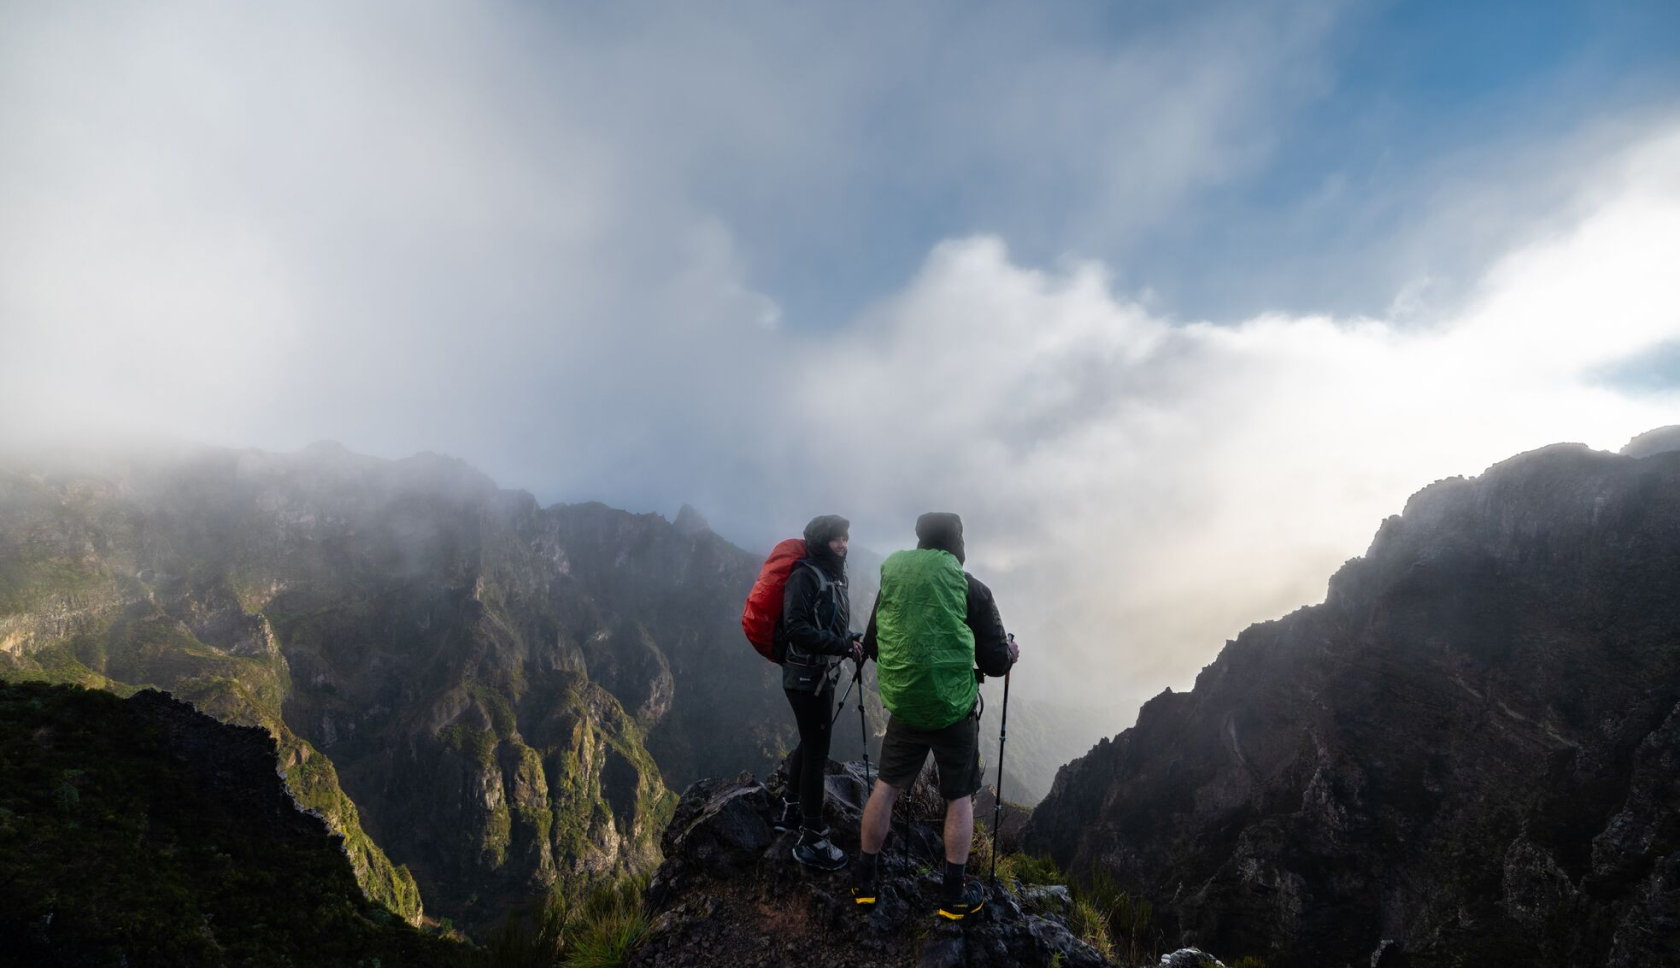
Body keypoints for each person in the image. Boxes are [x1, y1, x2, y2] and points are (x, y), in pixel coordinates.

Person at [851, 512, 1018, 919]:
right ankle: (952, 897)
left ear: (920, 541)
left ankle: (865, 883)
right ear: (957, 545)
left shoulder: (895, 579)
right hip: (954, 712)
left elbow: (872, 643)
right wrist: (1011, 651)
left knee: (886, 788)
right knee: (958, 798)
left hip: (906, 707)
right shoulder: (971, 588)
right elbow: (996, 662)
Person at [774, 514, 864, 871]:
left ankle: (790, 810)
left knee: (809, 741)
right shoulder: (805, 575)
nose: (842, 545)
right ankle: (812, 838)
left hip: (819, 675)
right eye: (835, 540)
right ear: (820, 542)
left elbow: (827, 623)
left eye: (845, 538)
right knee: (817, 750)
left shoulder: (833, 575)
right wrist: (843, 645)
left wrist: (849, 640)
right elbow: (796, 627)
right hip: (806, 678)